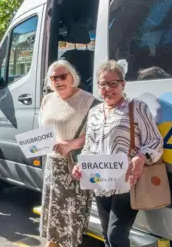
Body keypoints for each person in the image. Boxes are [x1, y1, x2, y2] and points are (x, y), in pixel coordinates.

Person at [72, 60, 163, 247]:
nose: (108, 89)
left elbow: (155, 142)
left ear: (123, 84)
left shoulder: (136, 108)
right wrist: (81, 164)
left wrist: (140, 157)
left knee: (116, 236)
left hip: (127, 183)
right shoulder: (95, 112)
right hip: (100, 182)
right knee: (107, 235)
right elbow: (89, 146)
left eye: (113, 83)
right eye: (103, 84)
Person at [38, 60, 99, 247]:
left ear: (73, 76)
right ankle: (52, 243)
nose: (58, 81)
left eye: (62, 76)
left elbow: (95, 133)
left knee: (71, 216)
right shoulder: (48, 99)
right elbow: (43, 129)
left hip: (75, 167)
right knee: (54, 214)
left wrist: (72, 144)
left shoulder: (89, 101)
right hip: (53, 166)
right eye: (54, 78)